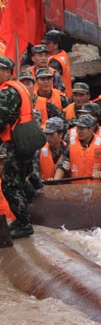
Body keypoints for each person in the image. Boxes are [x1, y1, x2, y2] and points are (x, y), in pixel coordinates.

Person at [0, 56, 37, 238]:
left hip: (18, 143)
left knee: (9, 185)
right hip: (27, 139)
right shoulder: (18, 87)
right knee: (21, 180)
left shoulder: (7, 92)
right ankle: (29, 210)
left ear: (8, 72)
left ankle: (24, 223)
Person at [54, 115, 101, 183]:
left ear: (91, 129)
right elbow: (62, 165)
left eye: (82, 129)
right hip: (76, 188)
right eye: (78, 128)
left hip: (95, 187)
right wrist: (55, 180)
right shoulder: (71, 143)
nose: (79, 131)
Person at [43, 30, 73, 97]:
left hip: (60, 96)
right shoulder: (62, 53)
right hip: (67, 94)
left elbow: (49, 81)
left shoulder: (55, 62)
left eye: (48, 43)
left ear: (56, 45)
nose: (45, 45)